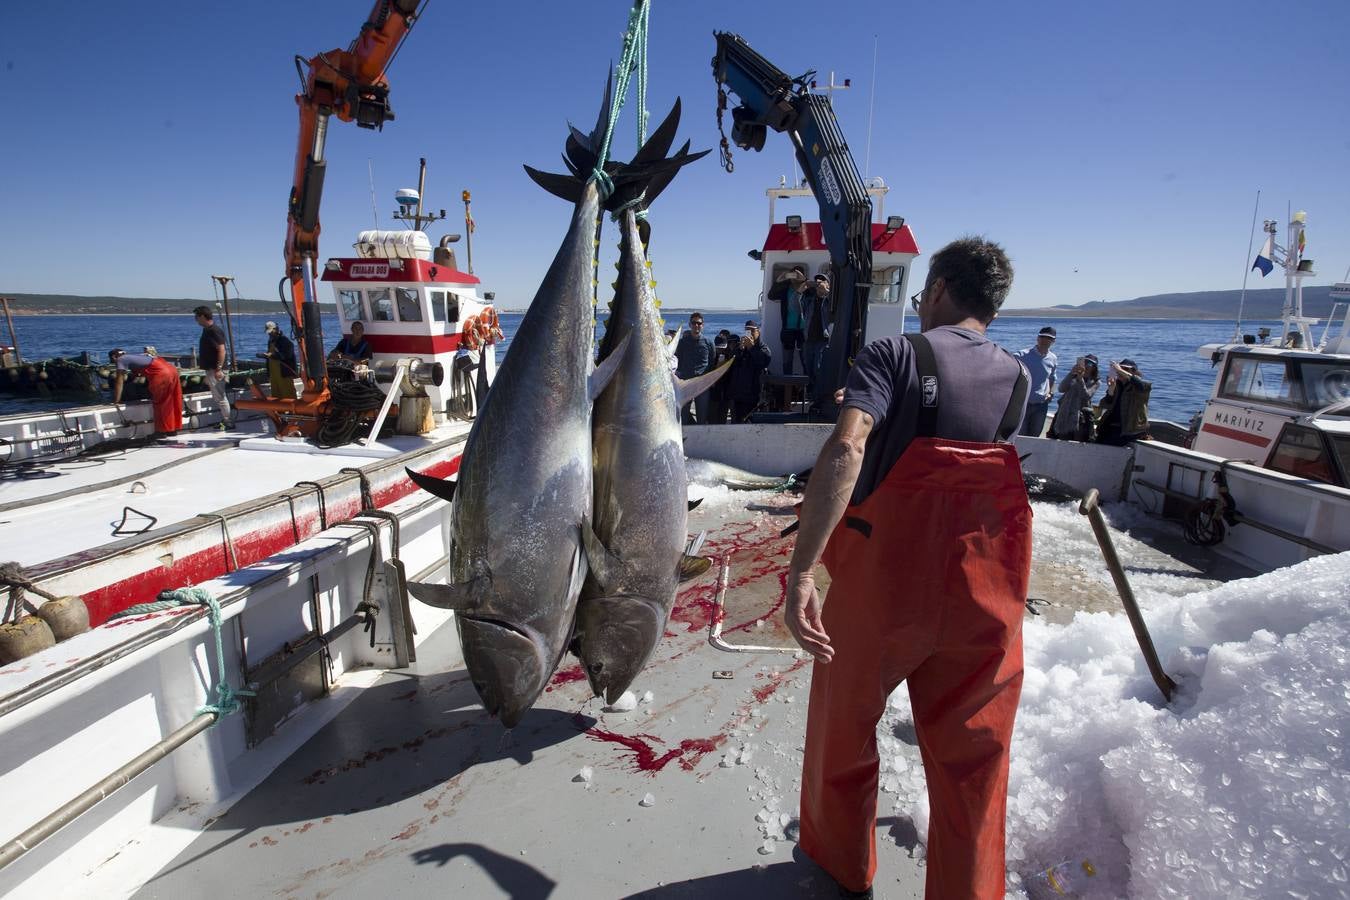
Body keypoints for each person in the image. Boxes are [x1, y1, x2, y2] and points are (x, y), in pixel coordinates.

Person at [784, 237, 1031, 900]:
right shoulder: (1019, 377)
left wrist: (803, 569)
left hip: (883, 591)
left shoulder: (893, 354)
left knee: (844, 732)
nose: (921, 301)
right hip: (983, 595)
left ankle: (842, 868)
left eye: (923, 290)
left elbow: (848, 447)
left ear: (942, 289)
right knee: (974, 762)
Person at [109, 348, 183, 437]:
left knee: (160, 403)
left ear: (114, 357)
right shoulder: (136, 356)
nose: (114, 363)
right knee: (172, 401)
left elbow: (119, 381)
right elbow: (140, 371)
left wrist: (116, 400)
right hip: (172, 370)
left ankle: (161, 432)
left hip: (161, 373)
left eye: (112, 361)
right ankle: (172, 430)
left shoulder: (120, 359)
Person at [1014, 325, 1058, 436]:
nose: (1045, 340)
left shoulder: (1053, 358)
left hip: (1041, 406)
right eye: (1042, 337)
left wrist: (1051, 393)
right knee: (1020, 436)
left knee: (1035, 437)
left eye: (1049, 338)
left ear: (1053, 341)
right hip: (1023, 404)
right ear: (1037, 338)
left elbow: (1052, 378)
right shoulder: (1021, 355)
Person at [1095, 358, 1151, 445]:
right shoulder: (1117, 385)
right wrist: (1111, 391)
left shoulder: (1139, 387)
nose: (1120, 372)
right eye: (1121, 369)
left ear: (1133, 371)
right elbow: (1105, 404)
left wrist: (1119, 369)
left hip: (1128, 429)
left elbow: (1141, 385)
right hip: (1111, 426)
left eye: (1125, 369)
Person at [193, 305, 232, 428]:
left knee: (220, 396)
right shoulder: (207, 330)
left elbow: (221, 349)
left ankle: (228, 421)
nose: (196, 320)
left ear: (203, 317)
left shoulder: (214, 330)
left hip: (216, 369)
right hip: (211, 369)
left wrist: (219, 368)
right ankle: (225, 420)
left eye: (197, 317)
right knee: (217, 396)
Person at [726, 320, 772, 423]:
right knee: (736, 423)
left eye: (752, 331)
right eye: (747, 331)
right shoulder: (741, 348)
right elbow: (731, 363)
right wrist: (740, 350)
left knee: (749, 423)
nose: (750, 333)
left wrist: (751, 348)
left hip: (752, 395)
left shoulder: (763, 348)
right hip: (737, 395)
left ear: (758, 332)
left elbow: (763, 362)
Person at [768, 265, 810, 375]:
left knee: (806, 361)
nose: (794, 278)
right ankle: (788, 388)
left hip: (804, 331)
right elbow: (771, 296)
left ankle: (808, 389)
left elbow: (818, 292)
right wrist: (778, 281)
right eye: (792, 275)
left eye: (797, 275)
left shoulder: (808, 290)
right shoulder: (785, 289)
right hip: (788, 331)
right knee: (787, 362)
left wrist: (804, 281)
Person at [674, 312, 714, 424]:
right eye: (694, 323)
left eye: (699, 323)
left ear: (703, 325)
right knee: (683, 417)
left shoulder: (708, 343)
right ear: (690, 324)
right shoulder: (681, 343)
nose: (696, 325)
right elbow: (677, 361)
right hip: (686, 383)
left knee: (702, 416)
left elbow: (712, 361)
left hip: (702, 385)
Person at [1049, 354, 1099, 441]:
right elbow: (1061, 388)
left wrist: (1080, 380)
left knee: (1077, 441)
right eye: (1085, 362)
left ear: (1094, 368)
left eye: (1090, 364)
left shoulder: (1095, 382)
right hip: (1065, 414)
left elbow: (1086, 396)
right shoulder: (1073, 377)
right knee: (1062, 439)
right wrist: (1071, 373)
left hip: (1081, 418)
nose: (1087, 366)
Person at [803, 273, 834, 404]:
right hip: (809, 339)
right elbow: (797, 303)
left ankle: (818, 396)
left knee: (818, 368)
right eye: (817, 282)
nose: (818, 283)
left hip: (822, 339)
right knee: (808, 368)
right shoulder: (810, 299)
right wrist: (804, 286)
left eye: (822, 281)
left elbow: (836, 304)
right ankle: (810, 395)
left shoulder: (829, 300)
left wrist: (827, 291)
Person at [261, 321, 298, 401]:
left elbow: (287, 356)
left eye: (271, 332)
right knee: (276, 394)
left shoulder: (285, 341)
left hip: (284, 373)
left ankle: (292, 410)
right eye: (268, 333)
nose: (269, 334)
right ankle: (279, 410)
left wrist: (272, 356)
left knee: (288, 393)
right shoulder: (271, 341)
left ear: (276, 329)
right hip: (274, 373)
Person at [706, 329, 737, 425]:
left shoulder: (730, 355)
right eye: (719, 348)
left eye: (723, 348)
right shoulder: (711, 356)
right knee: (712, 417)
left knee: (722, 416)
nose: (721, 350)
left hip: (726, 391)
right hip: (714, 391)